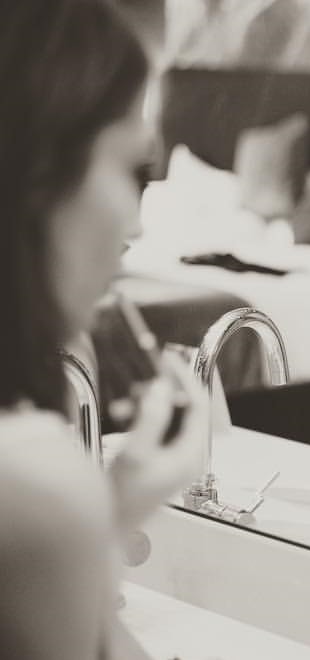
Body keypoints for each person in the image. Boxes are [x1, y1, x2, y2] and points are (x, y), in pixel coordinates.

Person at [0, 1, 208, 657]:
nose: (138, 224)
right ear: (38, 176)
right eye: (132, 169)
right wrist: (99, 519)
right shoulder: (34, 482)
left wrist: (113, 507)